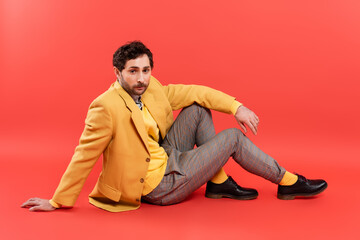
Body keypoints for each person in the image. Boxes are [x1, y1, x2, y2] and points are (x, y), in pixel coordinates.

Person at [22, 41, 327, 212]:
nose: (141, 79)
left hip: (166, 157)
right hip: (156, 185)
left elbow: (196, 91)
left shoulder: (151, 87)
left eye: (146, 70)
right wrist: (57, 201)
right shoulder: (106, 106)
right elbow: (84, 154)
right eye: (132, 72)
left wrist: (237, 106)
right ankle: (287, 181)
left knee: (196, 107)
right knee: (233, 137)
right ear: (117, 73)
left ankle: (217, 182)